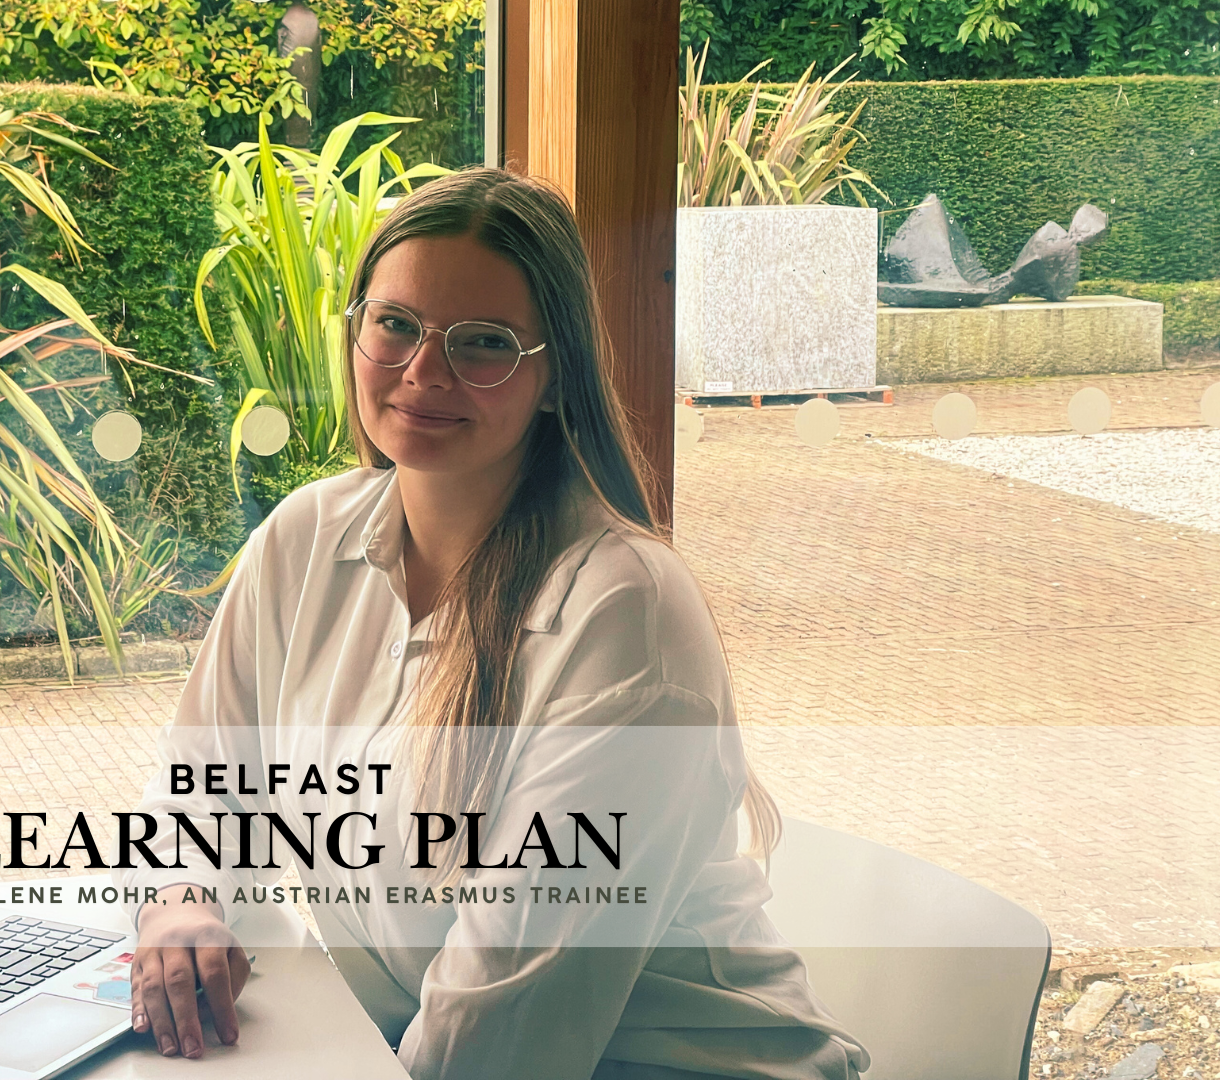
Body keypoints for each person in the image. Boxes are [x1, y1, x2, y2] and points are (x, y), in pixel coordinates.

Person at [114, 167, 872, 1080]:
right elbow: (205, 787)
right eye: (394, 325)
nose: (422, 373)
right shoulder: (305, 538)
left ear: (555, 378)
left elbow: (502, 1039)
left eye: (485, 344)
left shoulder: (624, 614)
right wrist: (180, 903)